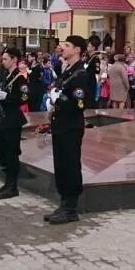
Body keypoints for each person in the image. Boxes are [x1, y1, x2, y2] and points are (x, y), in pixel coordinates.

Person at [44, 35, 95, 224]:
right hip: (60, 124)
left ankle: (71, 208)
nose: (62, 48)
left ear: (77, 50)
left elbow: (81, 102)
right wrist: (53, 100)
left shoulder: (81, 73)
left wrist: (61, 100)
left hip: (71, 126)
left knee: (70, 165)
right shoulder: (68, 71)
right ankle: (64, 203)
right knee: (61, 165)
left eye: (67, 46)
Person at [0, 48, 29, 199]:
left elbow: (25, 97)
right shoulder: (6, 76)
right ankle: (7, 183)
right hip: (4, 118)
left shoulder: (20, 78)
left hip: (13, 119)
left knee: (12, 153)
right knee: (5, 152)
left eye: (5, 58)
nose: (2, 61)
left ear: (14, 60)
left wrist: (8, 97)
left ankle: (13, 186)